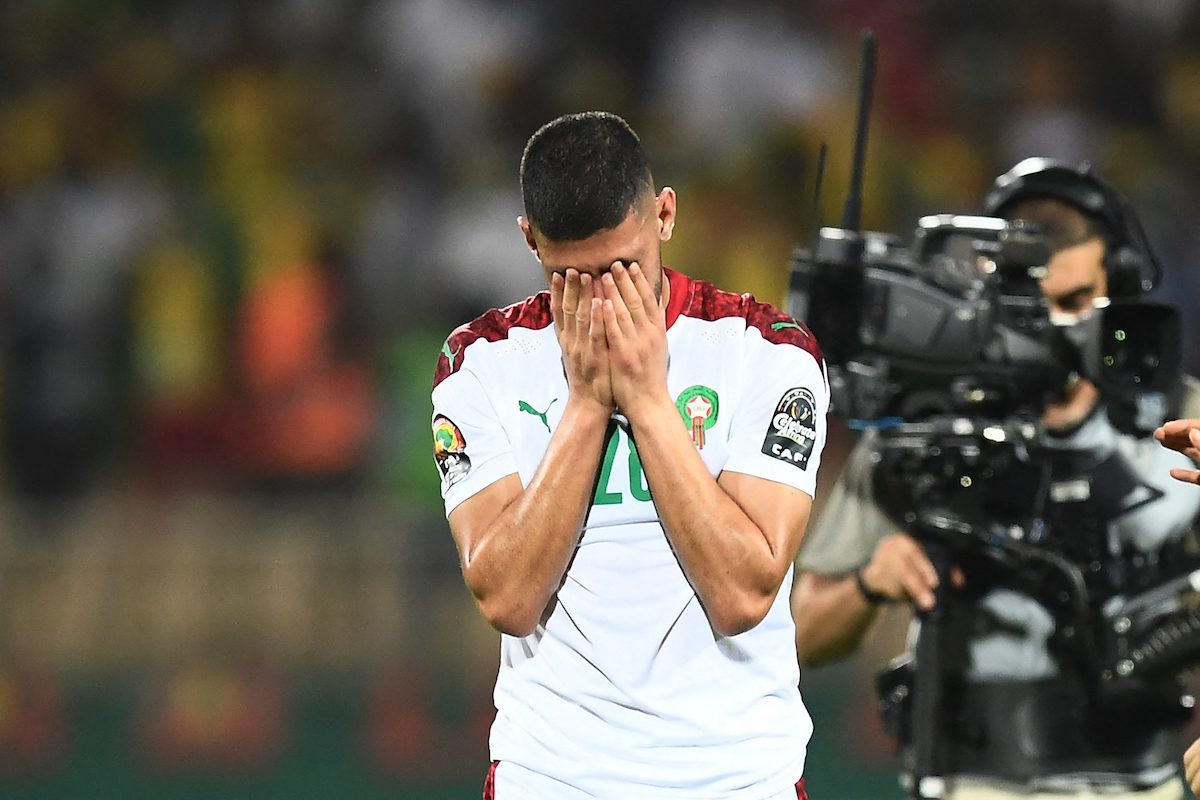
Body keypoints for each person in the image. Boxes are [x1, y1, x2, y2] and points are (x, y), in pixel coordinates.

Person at [430, 111, 829, 798]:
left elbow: (742, 592)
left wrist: (645, 399)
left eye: (620, 270)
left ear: (665, 216)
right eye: (570, 279)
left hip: (734, 780)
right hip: (553, 779)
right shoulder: (480, 367)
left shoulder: (766, 353)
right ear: (530, 240)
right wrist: (588, 404)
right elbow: (507, 597)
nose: (600, 302)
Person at [791, 157, 1200, 799]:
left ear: (1118, 288)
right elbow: (804, 636)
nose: (1051, 331)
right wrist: (871, 582)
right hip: (975, 781)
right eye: (1031, 307)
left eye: (1075, 304)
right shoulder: (924, 431)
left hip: (1144, 782)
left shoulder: (1185, 418)